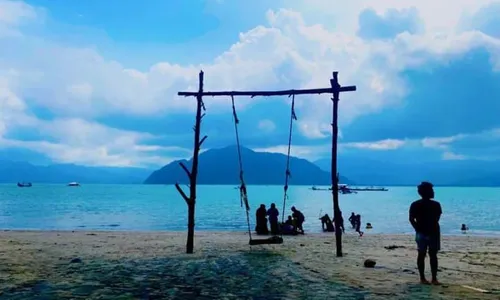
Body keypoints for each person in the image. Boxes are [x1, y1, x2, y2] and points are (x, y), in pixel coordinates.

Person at [409, 181, 442, 285]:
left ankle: (425, 278)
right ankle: (432, 278)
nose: (433, 192)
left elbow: (411, 219)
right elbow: (437, 219)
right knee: (432, 255)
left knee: (423, 254)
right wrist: (418, 229)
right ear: (426, 192)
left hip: (424, 232)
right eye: (431, 190)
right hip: (432, 232)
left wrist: (417, 229)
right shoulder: (435, 204)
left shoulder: (416, 204)